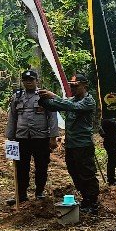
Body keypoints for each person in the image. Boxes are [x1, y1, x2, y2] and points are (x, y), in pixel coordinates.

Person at [39, 73, 100, 214]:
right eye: (71, 86)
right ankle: (85, 198)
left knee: (87, 174)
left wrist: (54, 96)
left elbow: (72, 106)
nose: (73, 88)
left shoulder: (88, 101)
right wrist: (42, 98)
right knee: (74, 172)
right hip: (71, 145)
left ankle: (93, 201)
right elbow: (55, 106)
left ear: (84, 85)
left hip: (83, 144)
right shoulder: (70, 101)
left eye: (75, 86)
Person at [5, 69, 59, 204]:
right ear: (22, 82)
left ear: (36, 81)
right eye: (26, 80)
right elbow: (12, 117)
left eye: (31, 80)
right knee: (21, 167)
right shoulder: (17, 97)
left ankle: (39, 192)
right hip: (21, 137)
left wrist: (53, 137)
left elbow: (52, 117)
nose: (28, 82)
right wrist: (10, 137)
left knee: (41, 166)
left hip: (40, 138)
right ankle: (21, 194)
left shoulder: (44, 96)